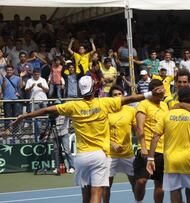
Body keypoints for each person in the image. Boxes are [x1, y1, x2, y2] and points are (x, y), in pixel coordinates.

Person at [12, 75, 163, 203]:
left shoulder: (73, 106)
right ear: (94, 87)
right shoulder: (104, 103)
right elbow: (131, 98)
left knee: (85, 195)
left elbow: (46, 109)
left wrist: (24, 116)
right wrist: (150, 93)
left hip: (81, 157)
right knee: (96, 194)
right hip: (99, 155)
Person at [134, 79, 168, 203]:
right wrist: (142, 147)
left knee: (160, 185)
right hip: (147, 148)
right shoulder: (143, 104)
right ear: (153, 91)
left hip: (163, 150)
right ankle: (138, 201)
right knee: (141, 180)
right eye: (160, 89)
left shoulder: (165, 105)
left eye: (163, 88)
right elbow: (139, 127)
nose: (163, 91)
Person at [103, 85, 137, 203]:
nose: (118, 97)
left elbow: (137, 130)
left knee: (136, 184)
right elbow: (101, 134)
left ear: (123, 95)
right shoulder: (106, 112)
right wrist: (112, 143)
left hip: (127, 154)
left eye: (119, 94)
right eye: (115, 95)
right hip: (110, 155)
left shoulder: (131, 110)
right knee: (106, 186)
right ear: (110, 98)